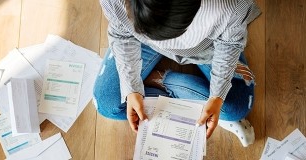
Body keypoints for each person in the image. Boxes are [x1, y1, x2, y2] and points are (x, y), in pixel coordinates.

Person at [93, 0, 261, 147]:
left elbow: (229, 44)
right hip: (141, 43)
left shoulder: (230, 6)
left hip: (207, 48)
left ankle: (157, 80)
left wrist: (217, 96)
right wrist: (131, 88)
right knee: (107, 104)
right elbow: (122, 34)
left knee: (237, 107)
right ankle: (167, 86)